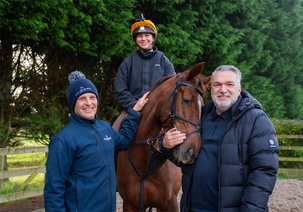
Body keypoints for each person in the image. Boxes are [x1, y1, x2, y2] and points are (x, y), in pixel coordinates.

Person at [160, 65, 279, 212]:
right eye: (217, 85)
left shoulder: (257, 120)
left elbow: (264, 171)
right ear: (211, 90)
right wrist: (166, 146)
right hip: (193, 208)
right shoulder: (200, 117)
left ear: (239, 89)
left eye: (229, 84)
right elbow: (185, 160)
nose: (223, 90)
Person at [44, 71, 149, 212]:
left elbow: (124, 141)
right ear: (73, 103)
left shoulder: (104, 128)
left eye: (92, 97)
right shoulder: (63, 140)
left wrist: (135, 111)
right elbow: (53, 191)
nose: (89, 103)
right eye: (82, 98)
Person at [113, 14, 175, 130]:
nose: (143, 39)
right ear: (135, 39)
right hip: (132, 109)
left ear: (153, 38)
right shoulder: (128, 62)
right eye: (139, 36)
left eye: (147, 35)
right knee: (113, 135)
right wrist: (134, 105)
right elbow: (120, 88)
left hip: (158, 110)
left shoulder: (163, 60)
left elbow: (172, 87)